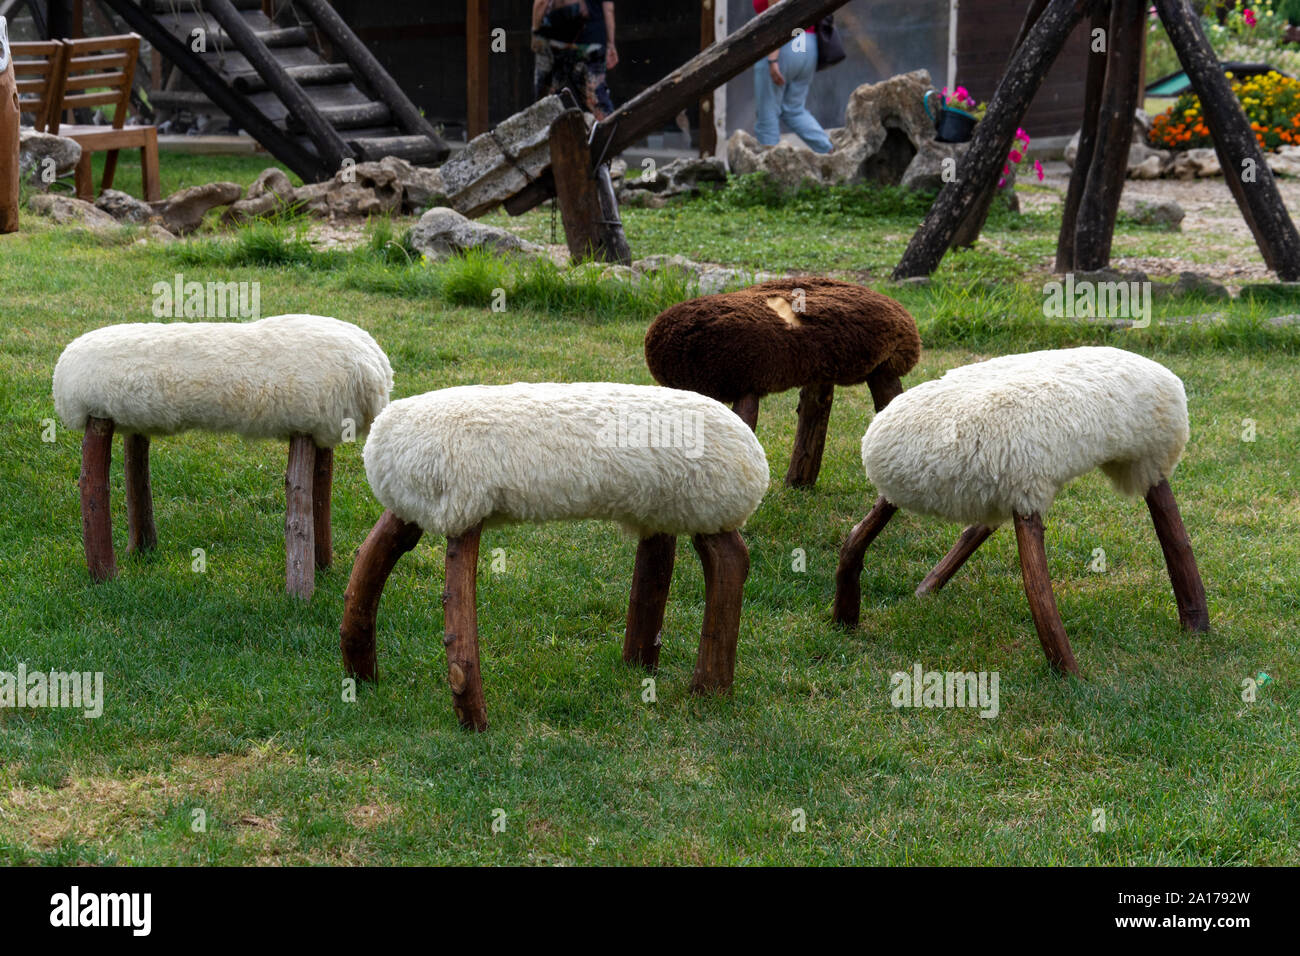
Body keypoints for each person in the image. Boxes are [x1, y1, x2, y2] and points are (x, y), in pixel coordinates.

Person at [751, 0, 833, 154]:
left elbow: (776, 14)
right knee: (794, 110)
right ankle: (830, 150)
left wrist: (772, 58)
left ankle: (769, 170)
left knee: (767, 114)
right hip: (807, 43)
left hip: (785, 45)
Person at [531, 1, 618, 121]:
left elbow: (541, 2)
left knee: (545, 103)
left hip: (555, 41)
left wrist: (535, 33)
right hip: (591, 40)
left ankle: (549, 136)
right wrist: (610, 44)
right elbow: (608, 7)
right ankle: (610, 134)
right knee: (598, 102)